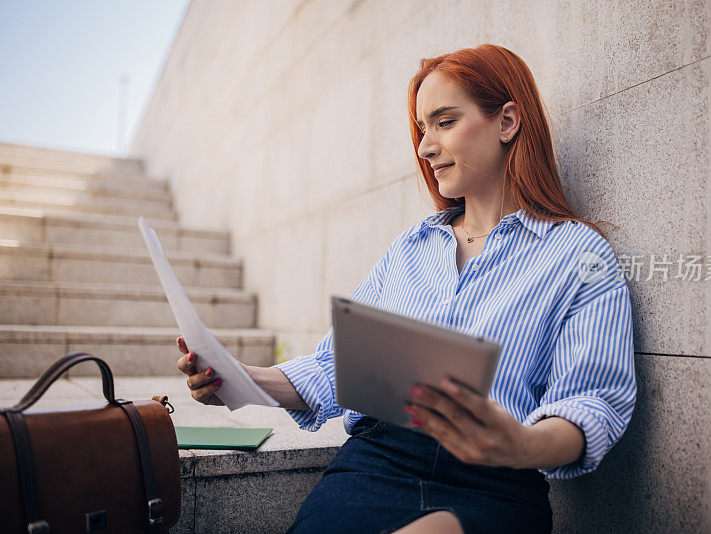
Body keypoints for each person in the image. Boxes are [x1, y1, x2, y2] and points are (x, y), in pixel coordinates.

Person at [176, 44, 636, 534]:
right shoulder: (411, 250)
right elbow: (336, 368)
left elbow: (593, 403)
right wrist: (238, 379)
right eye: (422, 129)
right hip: (376, 465)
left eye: (444, 121)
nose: (424, 147)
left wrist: (521, 445)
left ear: (507, 121)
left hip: (494, 484)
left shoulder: (579, 256)